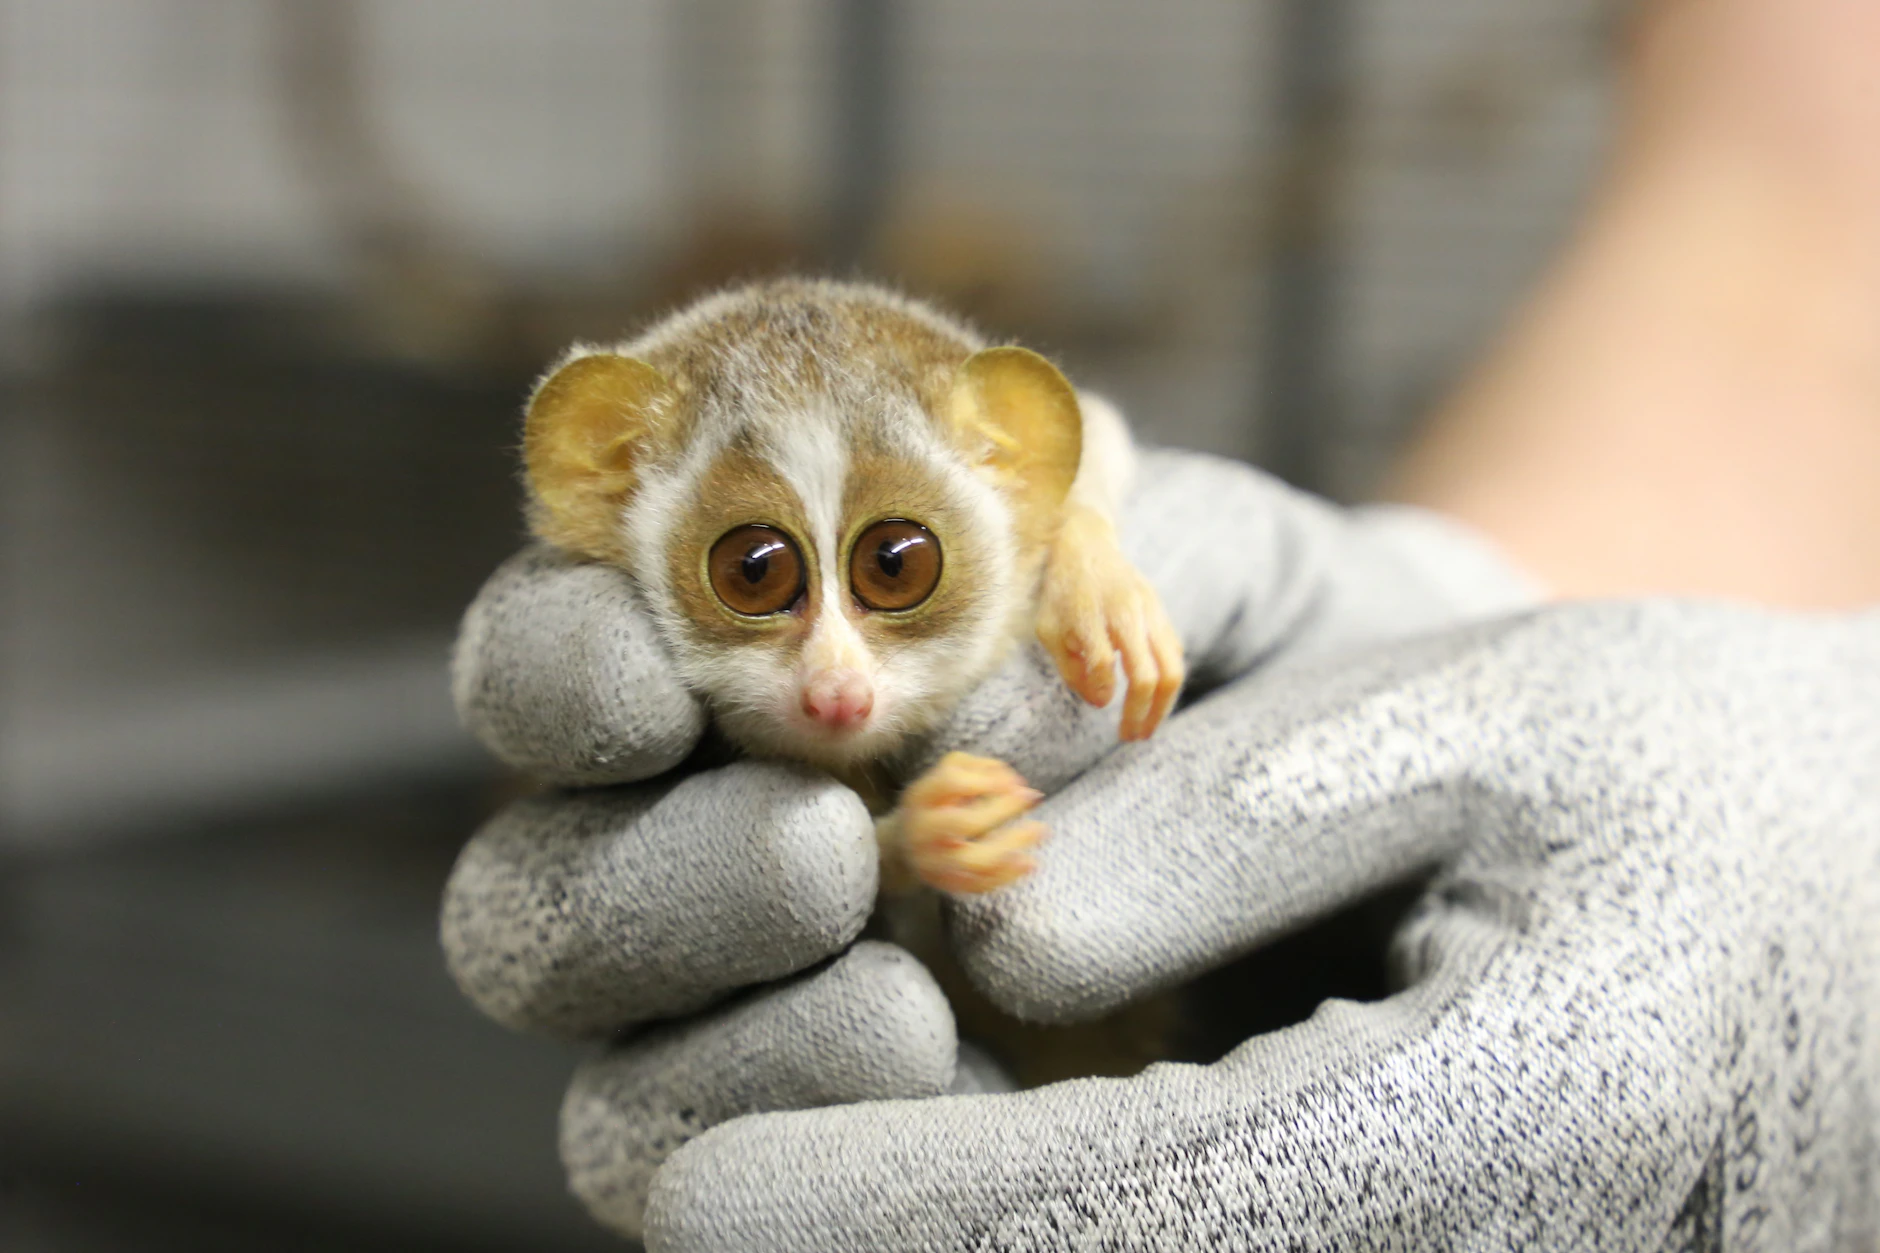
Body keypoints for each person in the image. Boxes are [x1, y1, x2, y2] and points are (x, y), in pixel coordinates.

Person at [441, 1, 1880, 1247]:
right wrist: (1460, 604)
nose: (830, 668)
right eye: (754, 572)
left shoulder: (1032, 504)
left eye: (892, 567)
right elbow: (1797, 189)